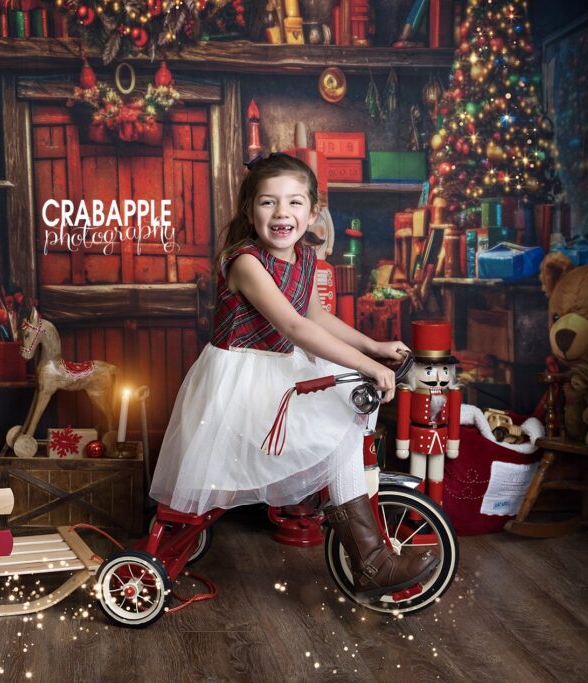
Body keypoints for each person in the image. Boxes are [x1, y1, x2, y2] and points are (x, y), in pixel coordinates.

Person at [149, 153, 438, 599]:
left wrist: (373, 345)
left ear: (314, 209)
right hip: (242, 386)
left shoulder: (305, 257)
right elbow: (294, 327)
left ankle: (369, 557)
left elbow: (314, 314)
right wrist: (368, 366)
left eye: (295, 203)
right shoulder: (246, 262)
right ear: (250, 211)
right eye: (268, 203)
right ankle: (372, 562)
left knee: (341, 421)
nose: (282, 214)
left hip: (277, 374)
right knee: (339, 427)